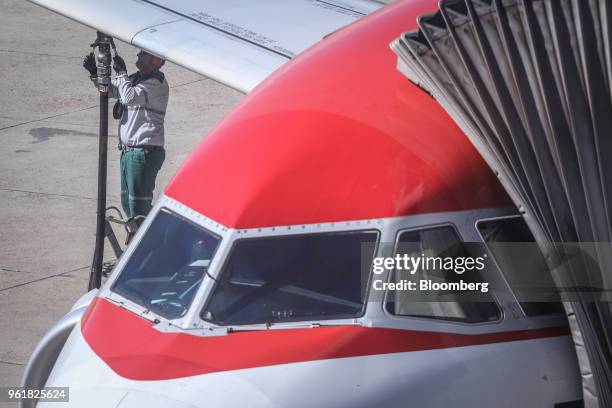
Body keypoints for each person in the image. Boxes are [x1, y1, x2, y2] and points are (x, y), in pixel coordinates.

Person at [83, 49, 169, 225]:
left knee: (139, 208)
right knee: (128, 205)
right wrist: (95, 75)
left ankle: (152, 238)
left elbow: (129, 97)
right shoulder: (136, 79)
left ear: (155, 60)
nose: (138, 56)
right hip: (130, 152)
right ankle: (144, 235)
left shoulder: (156, 83)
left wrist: (121, 73)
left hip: (143, 152)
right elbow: (111, 90)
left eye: (143, 54)